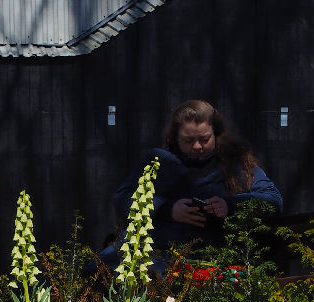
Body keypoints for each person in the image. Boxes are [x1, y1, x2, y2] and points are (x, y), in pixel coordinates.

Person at [112, 99, 282, 260]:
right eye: (188, 140)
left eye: (204, 139)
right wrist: (167, 209)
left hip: (217, 254)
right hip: (159, 252)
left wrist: (230, 205)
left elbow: (273, 199)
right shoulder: (158, 161)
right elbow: (123, 198)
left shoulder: (236, 161)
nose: (197, 146)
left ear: (216, 134)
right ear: (176, 137)